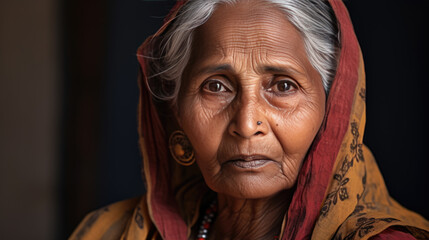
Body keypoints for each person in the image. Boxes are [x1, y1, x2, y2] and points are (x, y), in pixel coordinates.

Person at [70, 0, 429, 239]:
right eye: (216, 86)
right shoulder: (106, 232)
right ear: (176, 113)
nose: (246, 123)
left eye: (283, 86)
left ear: (333, 108)